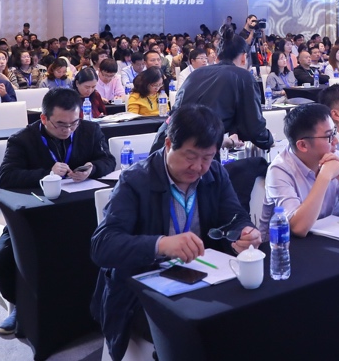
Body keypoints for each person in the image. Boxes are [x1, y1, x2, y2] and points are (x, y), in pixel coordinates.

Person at [89, 103, 258, 360]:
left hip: (201, 276)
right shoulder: (135, 180)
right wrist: (160, 245)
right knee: (195, 335)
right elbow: (102, 245)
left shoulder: (214, 173)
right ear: (168, 144)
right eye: (190, 157)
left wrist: (244, 232)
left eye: (207, 157)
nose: (198, 167)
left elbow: (235, 216)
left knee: (247, 318)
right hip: (142, 289)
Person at [0, 88, 116, 337]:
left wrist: (92, 168)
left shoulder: (90, 130)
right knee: (1, 260)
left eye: (74, 123)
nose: (68, 130)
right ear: (44, 118)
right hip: (36, 216)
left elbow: (108, 161)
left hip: (81, 213)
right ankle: (20, 304)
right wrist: (46, 173)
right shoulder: (22, 140)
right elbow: (6, 177)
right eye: (61, 124)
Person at [260, 103, 339, 235]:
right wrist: (324, 176)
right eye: (329, 136)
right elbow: (298, 228)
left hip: (322, 237)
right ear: (303, 145)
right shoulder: (279, 170)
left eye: (334, 132)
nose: (336, 141)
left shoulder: (333, 156)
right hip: (282, 244)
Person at [160, 34, 273, 151]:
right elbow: (254, 129)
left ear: (217, 57)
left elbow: (176, 112)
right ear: (244, 57)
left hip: (165, 142)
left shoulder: (195, 73)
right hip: (191, 151)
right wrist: (270, 140)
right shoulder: (243, 77)